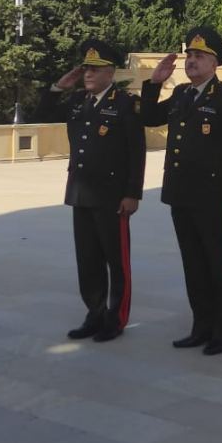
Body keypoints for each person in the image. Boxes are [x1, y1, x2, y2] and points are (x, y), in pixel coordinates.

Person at [140, 28, 222, 355]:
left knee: (218, 266)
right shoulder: (182, 95)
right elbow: (148, 117)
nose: (191, 61)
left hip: (213, 196)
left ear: (215, 62)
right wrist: (155, 82)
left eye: (198, 56)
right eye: (189, 55)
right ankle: (200, 325)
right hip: (181, 193)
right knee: (193, 264)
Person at [46, 39, 146, 342]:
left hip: (113, 196)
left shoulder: (125, 103)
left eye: (95, 68)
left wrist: (132, 193)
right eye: (86, 68)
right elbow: (44, 113)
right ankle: (95, 313)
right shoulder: (78, 101)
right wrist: (58, 87)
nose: (88, 73)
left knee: (116, 260)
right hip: (81, 192)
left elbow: (135, 151)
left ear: (110, 72)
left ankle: (116, 318)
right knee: (87, 259)